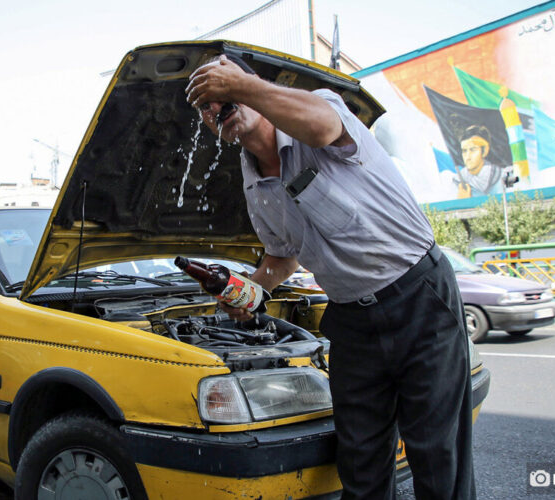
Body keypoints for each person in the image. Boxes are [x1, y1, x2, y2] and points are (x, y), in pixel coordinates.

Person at [186, 53, 476, 500]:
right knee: (360, 461)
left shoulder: (317, 109)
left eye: (220, 88)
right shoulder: (251, 185)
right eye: (204, 105)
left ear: (248, 83)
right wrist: (251, 290)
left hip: (419, 298)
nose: (214, 106)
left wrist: (238, 86)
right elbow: (282, 257)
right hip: (351, 322)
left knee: (438, 455)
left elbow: (322, 127)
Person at [456, 125, 508, 198]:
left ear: (484, 151)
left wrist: (465, 202)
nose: (467, 157)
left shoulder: (502, 178)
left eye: (473, 150)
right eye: (464, 151)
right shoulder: (456, 180)